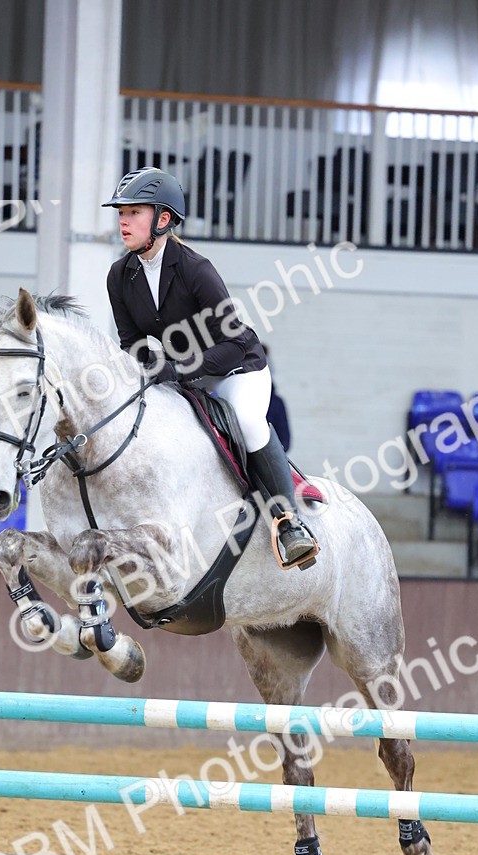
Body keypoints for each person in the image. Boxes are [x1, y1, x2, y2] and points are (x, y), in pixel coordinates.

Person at [103, 167, 319, 569]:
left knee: (247, 421)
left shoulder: (194, 269)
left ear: (163, 219)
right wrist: (147, 368)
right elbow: (131, 341)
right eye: (121, 213)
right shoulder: (119, 275)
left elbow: (233, 344)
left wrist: (176, 370)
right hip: (184, 376)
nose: (123, 221)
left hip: (236, 369)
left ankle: (289, 524)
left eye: (133, 212)